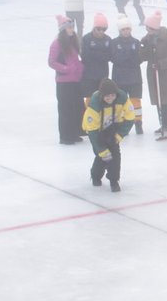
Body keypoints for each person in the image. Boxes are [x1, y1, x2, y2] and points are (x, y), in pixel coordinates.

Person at [82, 78, 135, 192]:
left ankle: (114, 181)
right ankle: (95, 175)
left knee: (115, 156)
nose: (110, 98)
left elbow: (130, 118)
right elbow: (92, 130)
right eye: (107, 96)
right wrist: (101, 149)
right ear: (102, 95)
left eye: (112, 95)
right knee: (103, 156)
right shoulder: (95, 103)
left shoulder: (122, 98)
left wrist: (120, 134)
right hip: (97, 131)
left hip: (113, 129)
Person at [139, 11, 167, 138]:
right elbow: (143, 56)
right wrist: (142, 46)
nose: (146, 30)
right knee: (159, 100)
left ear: (153, 27)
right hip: (154, 73)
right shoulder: (148, 38)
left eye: (148, 27)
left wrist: (162, 64)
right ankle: (163, 124)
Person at [47, 17, 85, 146]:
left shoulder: (72, 41)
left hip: (75, 80)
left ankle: (74, 133)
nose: (71, 29)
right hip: (64, 81)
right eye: (69, 27)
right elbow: (51, 62)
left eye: (72, 27)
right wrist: (66, 69)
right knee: (65, 109)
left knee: (75, 107)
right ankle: (65, 135)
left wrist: (80, 67)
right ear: (63, 29)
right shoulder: (57, 43)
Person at [110, 15, 145, 133]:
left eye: (127, 29)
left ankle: (138, 122)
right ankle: (121, 124)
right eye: (123, 29)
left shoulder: (136, 42)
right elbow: (114, 58)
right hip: (119, 79)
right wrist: (128, 56)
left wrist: (126, 57)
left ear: (131, 29)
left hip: (134, 78)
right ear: (120, 31)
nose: (126, 31)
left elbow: (139, 59)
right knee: (120, 102)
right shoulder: (114, 43)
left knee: (135, 102)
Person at [80, 13, 113, 98]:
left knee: (102, 98)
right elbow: (85, 56)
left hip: (102, 75)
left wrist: (94, 53)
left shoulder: (108, 39)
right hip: (88, 75)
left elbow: (110, 56)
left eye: (104, 29)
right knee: (89, 99)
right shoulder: (86, 39)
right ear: (94, 28)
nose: (101, 31)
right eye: (99, 29)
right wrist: (101, 55)